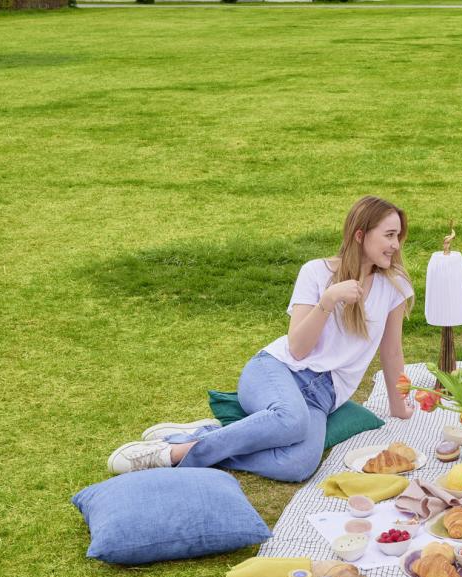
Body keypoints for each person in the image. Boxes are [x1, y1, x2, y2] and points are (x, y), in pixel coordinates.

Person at [106, 196, 416, 481]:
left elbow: (392, 352)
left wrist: (399, 406)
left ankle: (207, 435)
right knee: (292, 420)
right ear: (360, 235)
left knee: (298, 466)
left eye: (398, 237)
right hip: (275, 371)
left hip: (322, 398)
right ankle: (170, 454)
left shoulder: (395, 286)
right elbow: (297, 348)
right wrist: (328, 301)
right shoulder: (316, 273)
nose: (395, 245)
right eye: (389, 235)